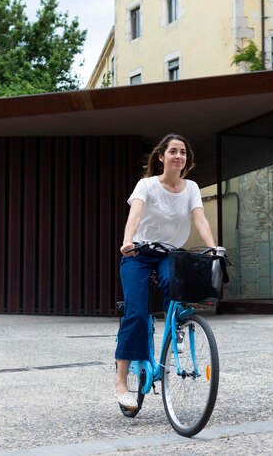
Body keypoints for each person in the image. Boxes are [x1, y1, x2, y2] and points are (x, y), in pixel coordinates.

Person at [115, 133, 216, 409]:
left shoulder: (191, 188)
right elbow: (134, 215)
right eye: (173, 151)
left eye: (182, 152)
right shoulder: (146, 185)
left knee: (178, 286)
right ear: (162, 157)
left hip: (168, 253)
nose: (178, 156)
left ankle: (178, 328)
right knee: (135, 313)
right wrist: (127, 240)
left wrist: (214, 248)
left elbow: (200, 219)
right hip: (138, 252)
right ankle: (122, 381)